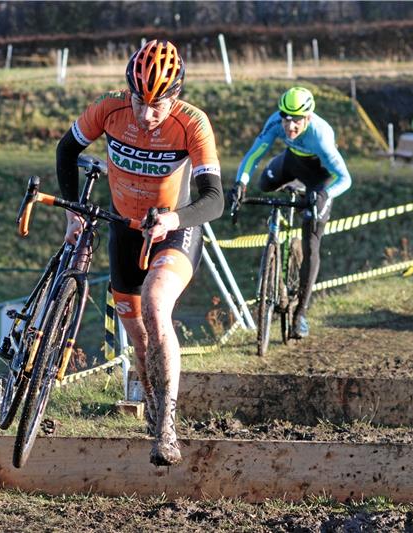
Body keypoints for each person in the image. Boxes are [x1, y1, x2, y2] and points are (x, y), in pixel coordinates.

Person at [55, 39, 223, 466]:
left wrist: (174, 219)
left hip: (172, 232)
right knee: (138, 339)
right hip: (124, 230)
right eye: (139, 101)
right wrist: (73, 211)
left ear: (175, 97)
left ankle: (168, 426)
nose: (146, 115)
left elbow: (214, 199)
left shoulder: (192, 123)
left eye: (157, 105)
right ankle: (152, 404)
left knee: (154, 303)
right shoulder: (109, 108)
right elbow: (67, 149)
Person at [228, 87, 351, 339]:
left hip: (321, 179)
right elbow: (254, 154)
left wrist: (324, 195)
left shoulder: (321, 136)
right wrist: (241, 183)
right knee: (264, 184)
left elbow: (345, 179)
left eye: (296, 120)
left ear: (308, 117)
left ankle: (300, 315)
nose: (290, 126)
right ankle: (284, 216)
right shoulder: (275, 122)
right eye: (286, 118)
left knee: (311, 244)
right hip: (292, 163)